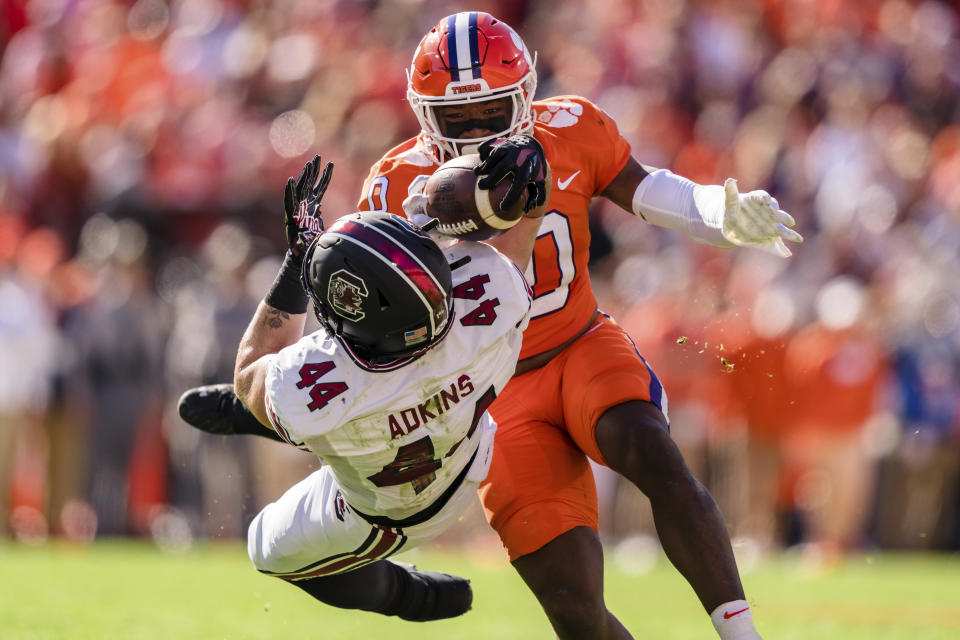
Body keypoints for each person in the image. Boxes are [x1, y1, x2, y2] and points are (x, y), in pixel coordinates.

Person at [355, 11, 803, 640]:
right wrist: (420, 232)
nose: (480, 132)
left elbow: (646, 190)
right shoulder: (395, 184)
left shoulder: (569, 126)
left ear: (526, 96)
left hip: (579, 344)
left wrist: (717, 209)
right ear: (424, 114)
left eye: (493, 111)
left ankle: (743, 636)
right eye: (460, 119)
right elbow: (372, 317)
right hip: (490, 390)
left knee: (651, 452)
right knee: (571, 600)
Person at [179, 153, 545, 621]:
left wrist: (297, 263)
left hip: (387, 516)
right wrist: (530, 178)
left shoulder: (313, 383)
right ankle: (271, 422)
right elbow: (523, 224)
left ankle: (402, 594)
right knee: (330, 416)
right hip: (469, 453)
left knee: (264, 546)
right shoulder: (495, 291)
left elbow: (251, 373)